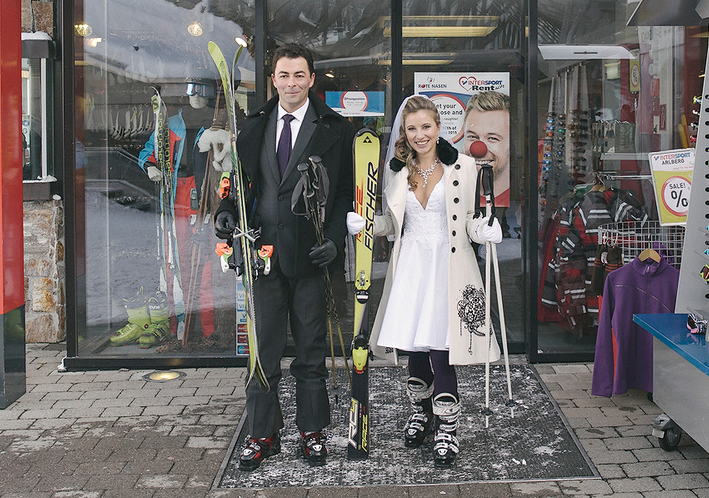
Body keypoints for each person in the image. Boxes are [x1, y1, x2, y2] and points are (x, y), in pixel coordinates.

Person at [213, 43, 353, 471]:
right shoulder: (252, 127)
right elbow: (237, 185)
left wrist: (334, 240)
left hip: (312, 258)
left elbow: (346, 193)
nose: (291, 83)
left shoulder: (335, 129)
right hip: (261, 257)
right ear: (272, 79)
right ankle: (262, 434)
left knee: (311, 351)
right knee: (264, 352)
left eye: (299, 76)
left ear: (312, 79)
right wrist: (225, 214)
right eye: (283, 75)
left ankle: (312, 432)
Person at [347, 95, 501, 468]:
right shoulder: (398, 171)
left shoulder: (464, 167)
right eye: (412, 129)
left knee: (441, 347)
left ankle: (447, 427)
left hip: (449, 266)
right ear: (405, 131)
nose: (420, 135)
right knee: (416, 347)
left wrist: (483, 228)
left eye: (426, 127)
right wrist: (366, 224)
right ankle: (421, 412)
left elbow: (467, 220)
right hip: (412, 266)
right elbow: (392, 224)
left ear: (438, 127)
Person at [115, 71, 229, 350]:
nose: (196, 99)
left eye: (202, 93)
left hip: (205, 200)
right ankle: (178, 329)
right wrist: (150, 166)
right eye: (192, 92)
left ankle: (208, 331)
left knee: (205, 268)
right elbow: (149, 151)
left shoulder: (218, 128)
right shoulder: (171, 125)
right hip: (174, 198)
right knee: (176, 266)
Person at [461, 90, 511, 207]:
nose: (478, 149)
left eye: (492, 138)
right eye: (472, 137)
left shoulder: (522, 203)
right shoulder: (450, 196)